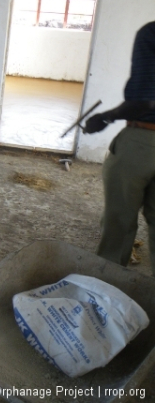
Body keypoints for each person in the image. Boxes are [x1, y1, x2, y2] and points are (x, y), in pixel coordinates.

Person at [84, 21, 155, 274]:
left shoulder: (151, 33)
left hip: (143, 143)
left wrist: (104, 117)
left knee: (119, 222)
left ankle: (108, 287)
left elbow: (145, 102)